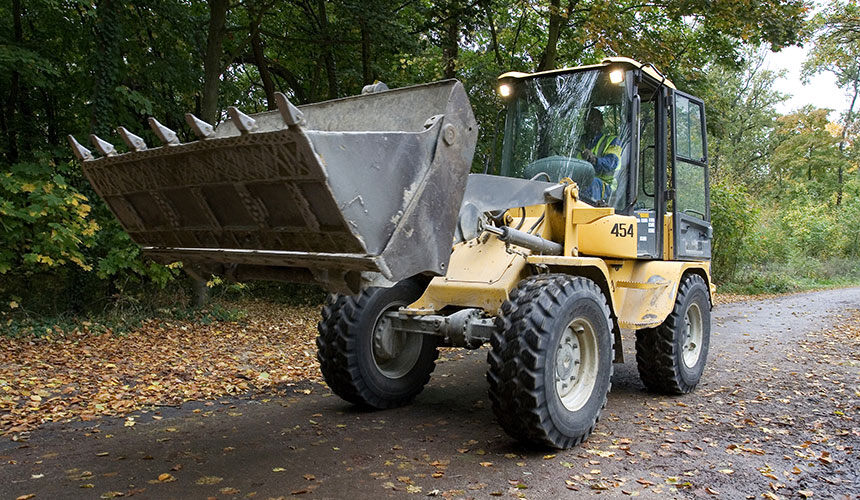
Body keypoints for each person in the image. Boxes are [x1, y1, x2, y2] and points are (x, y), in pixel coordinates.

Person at [578, 108, 622, 202]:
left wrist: (594, 159)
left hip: (605, 186)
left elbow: (611, 163)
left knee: (591, 183)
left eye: (594, 120)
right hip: (579, 182)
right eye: (587, 120)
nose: (590, 123)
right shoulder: (578, 141)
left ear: (601, 123)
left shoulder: (612, 141)